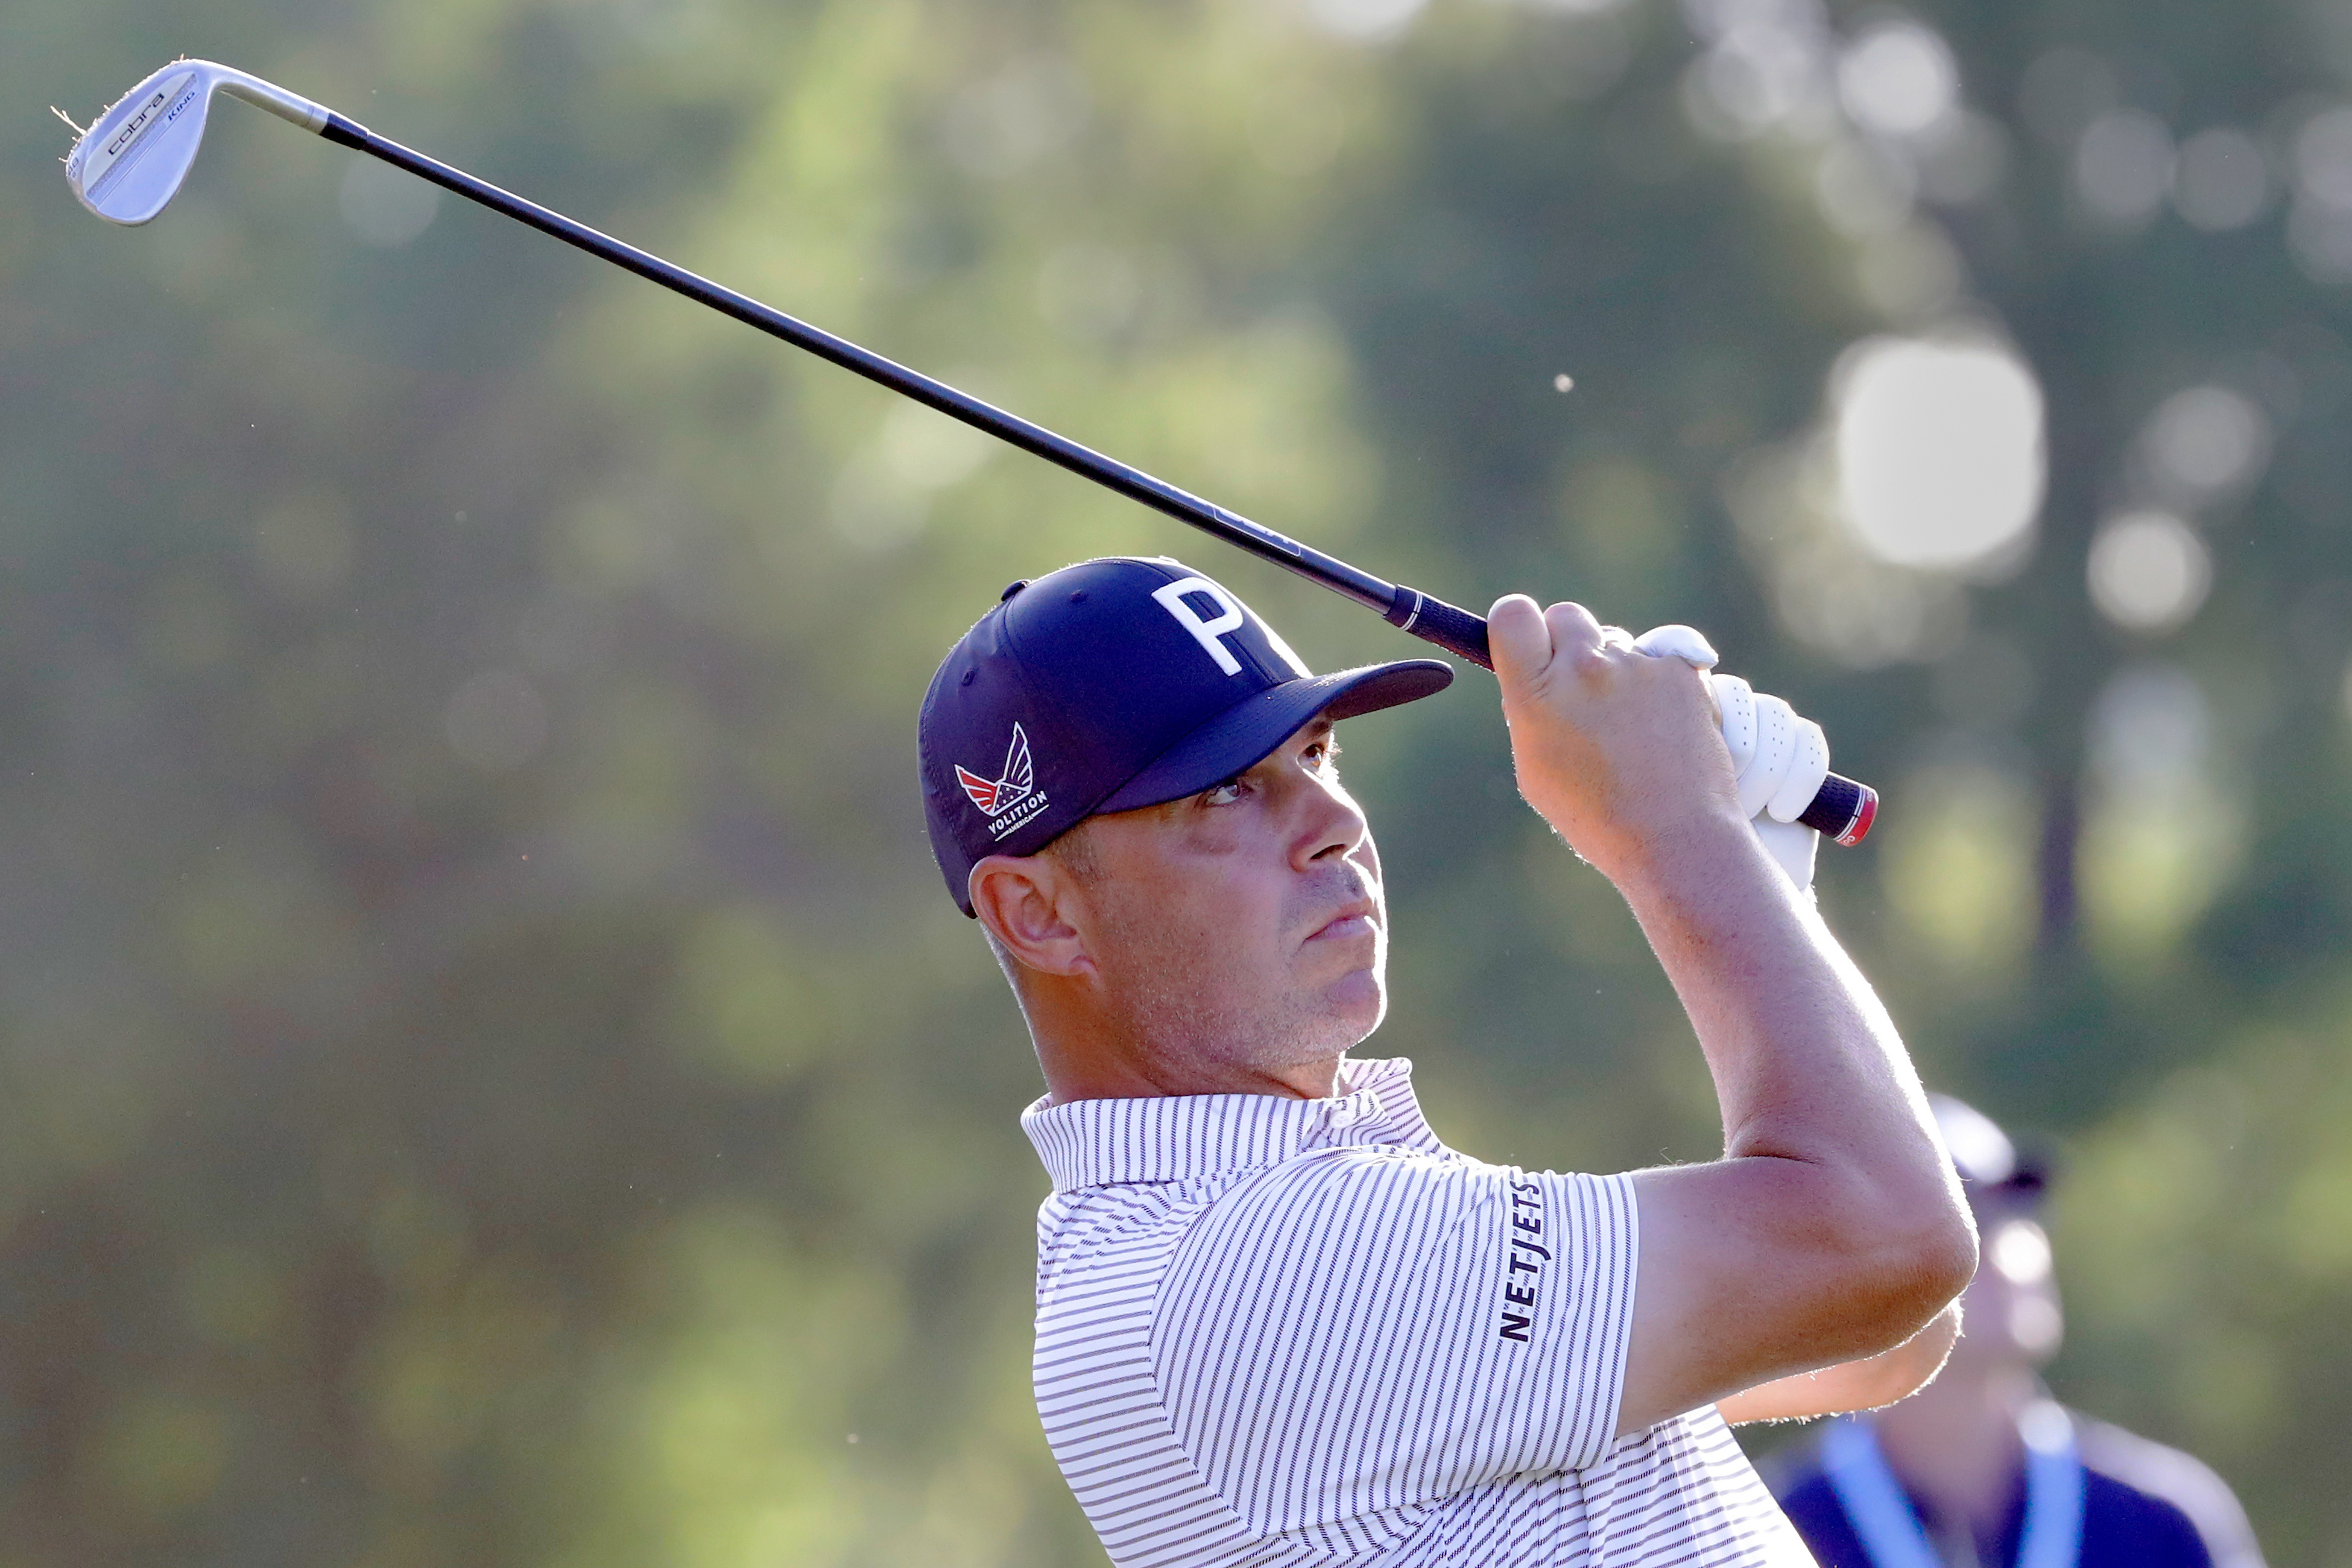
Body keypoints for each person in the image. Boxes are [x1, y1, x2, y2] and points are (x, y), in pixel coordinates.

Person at [916, 555, 1978, 1567]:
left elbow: (1883, 1329)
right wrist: (1672, 829)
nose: (1334, 822)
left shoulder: (1247, 1224)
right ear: (1040, 914)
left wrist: (1758, 892)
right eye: (1226, 794)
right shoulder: (1253, 1269)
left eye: (1317, 755)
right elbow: (1888, 1244)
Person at [1764, 1096, 2268, 1568]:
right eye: (1965, 1213)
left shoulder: (2162, 1521)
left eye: (2018, 1208)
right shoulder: (1765, 1531)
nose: (2012, 1247)